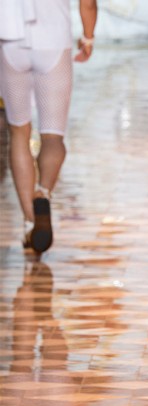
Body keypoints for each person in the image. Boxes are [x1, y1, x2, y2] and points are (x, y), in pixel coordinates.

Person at [0, 0, 98, 253]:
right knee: (53, 136)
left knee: (19, 134)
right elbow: (88, 3)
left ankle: (30, 222)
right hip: (54, 40)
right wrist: (88, 38)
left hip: (10, 41)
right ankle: (43, 193)